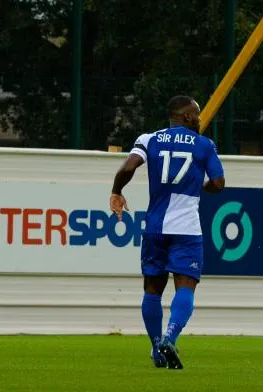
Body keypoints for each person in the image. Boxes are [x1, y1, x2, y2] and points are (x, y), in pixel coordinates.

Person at [110, 95, 225, 370]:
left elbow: (128, 167)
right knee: (186, 286)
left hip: (155, 228)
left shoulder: (149, 139)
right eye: (197, 114)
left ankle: (156, 348)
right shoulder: (204, 144)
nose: (200, 119)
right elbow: (219, 183)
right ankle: (170, 338)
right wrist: (200, 188)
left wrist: (116, 191)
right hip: (186, 229)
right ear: (185, 117)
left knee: (152, 290)